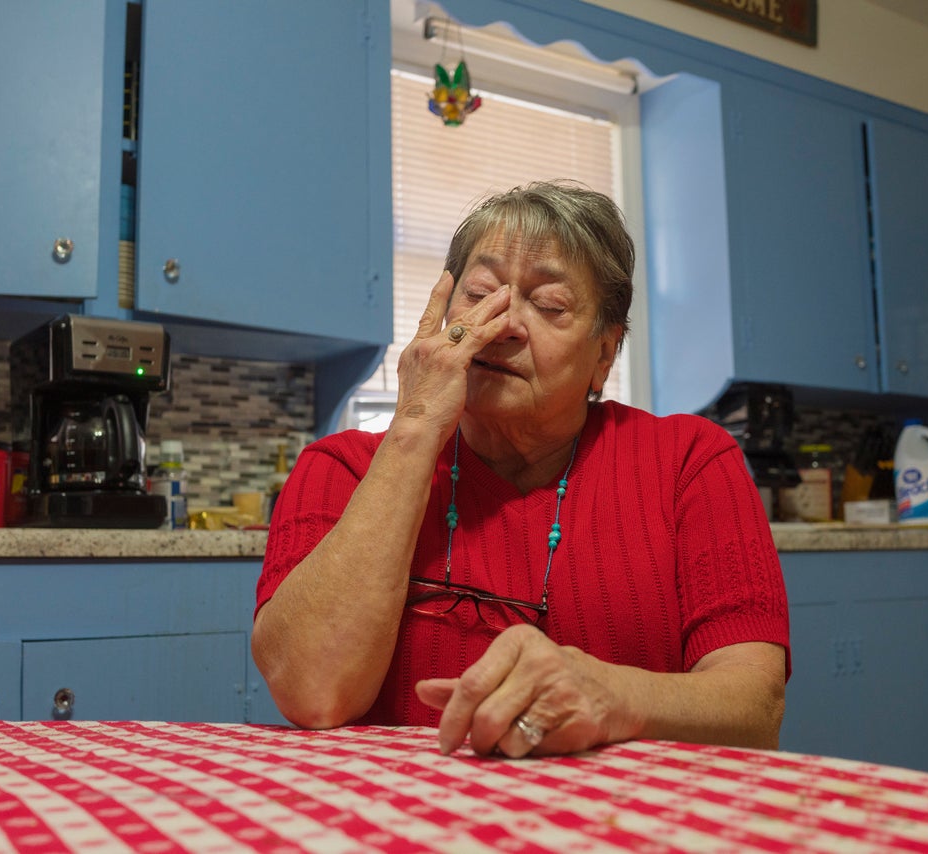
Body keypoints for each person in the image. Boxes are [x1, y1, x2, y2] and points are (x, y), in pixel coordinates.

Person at [253, 180, 789, 758]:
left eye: (550, 305)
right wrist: (412, 430)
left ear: (604, 355)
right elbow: (311, 692)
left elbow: (754, 710)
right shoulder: (341, 468)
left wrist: (612, 694)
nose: (502, 323)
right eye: (480, 293)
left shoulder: (688, 462)